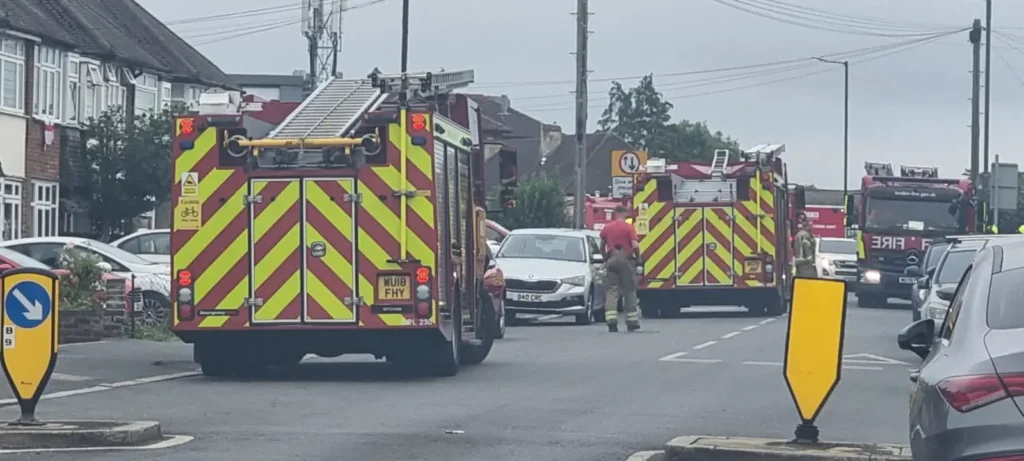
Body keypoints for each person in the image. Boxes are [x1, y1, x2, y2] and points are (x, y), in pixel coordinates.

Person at [599, 205, 641, 332]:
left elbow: (602, 246)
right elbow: (635, 245)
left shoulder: (607, 228)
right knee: (629, 290)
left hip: (611, 260)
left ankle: (611, 321)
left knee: (611, 291)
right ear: (625, 213)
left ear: (615, 213)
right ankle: (632, 322)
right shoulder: (629, 228)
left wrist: (606, 257)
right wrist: (637, 257)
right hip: (626, 260)